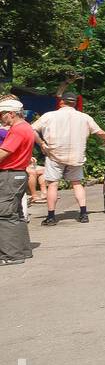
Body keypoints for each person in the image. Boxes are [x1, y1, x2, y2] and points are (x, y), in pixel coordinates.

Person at [32, 94, 105, 225]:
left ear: (61, 102)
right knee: (77, 183)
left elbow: (31, 129)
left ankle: (51, 217)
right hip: (76, 155)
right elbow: (100, 132)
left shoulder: (49, 116)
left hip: (54, 154)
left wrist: (41, 143)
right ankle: (84, 214)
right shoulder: (84, 117)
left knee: (53, 184)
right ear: (74, 103)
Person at [0, 97, 36, 264]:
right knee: (17, 214)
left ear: (11, 114)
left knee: (6, 215)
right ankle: (23, 250)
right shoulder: (27, 127)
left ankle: (11, 255)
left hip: (10, 174)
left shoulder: (17, 130)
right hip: (19, 173)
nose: (1, 117)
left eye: (2, 114)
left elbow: (3, 153)